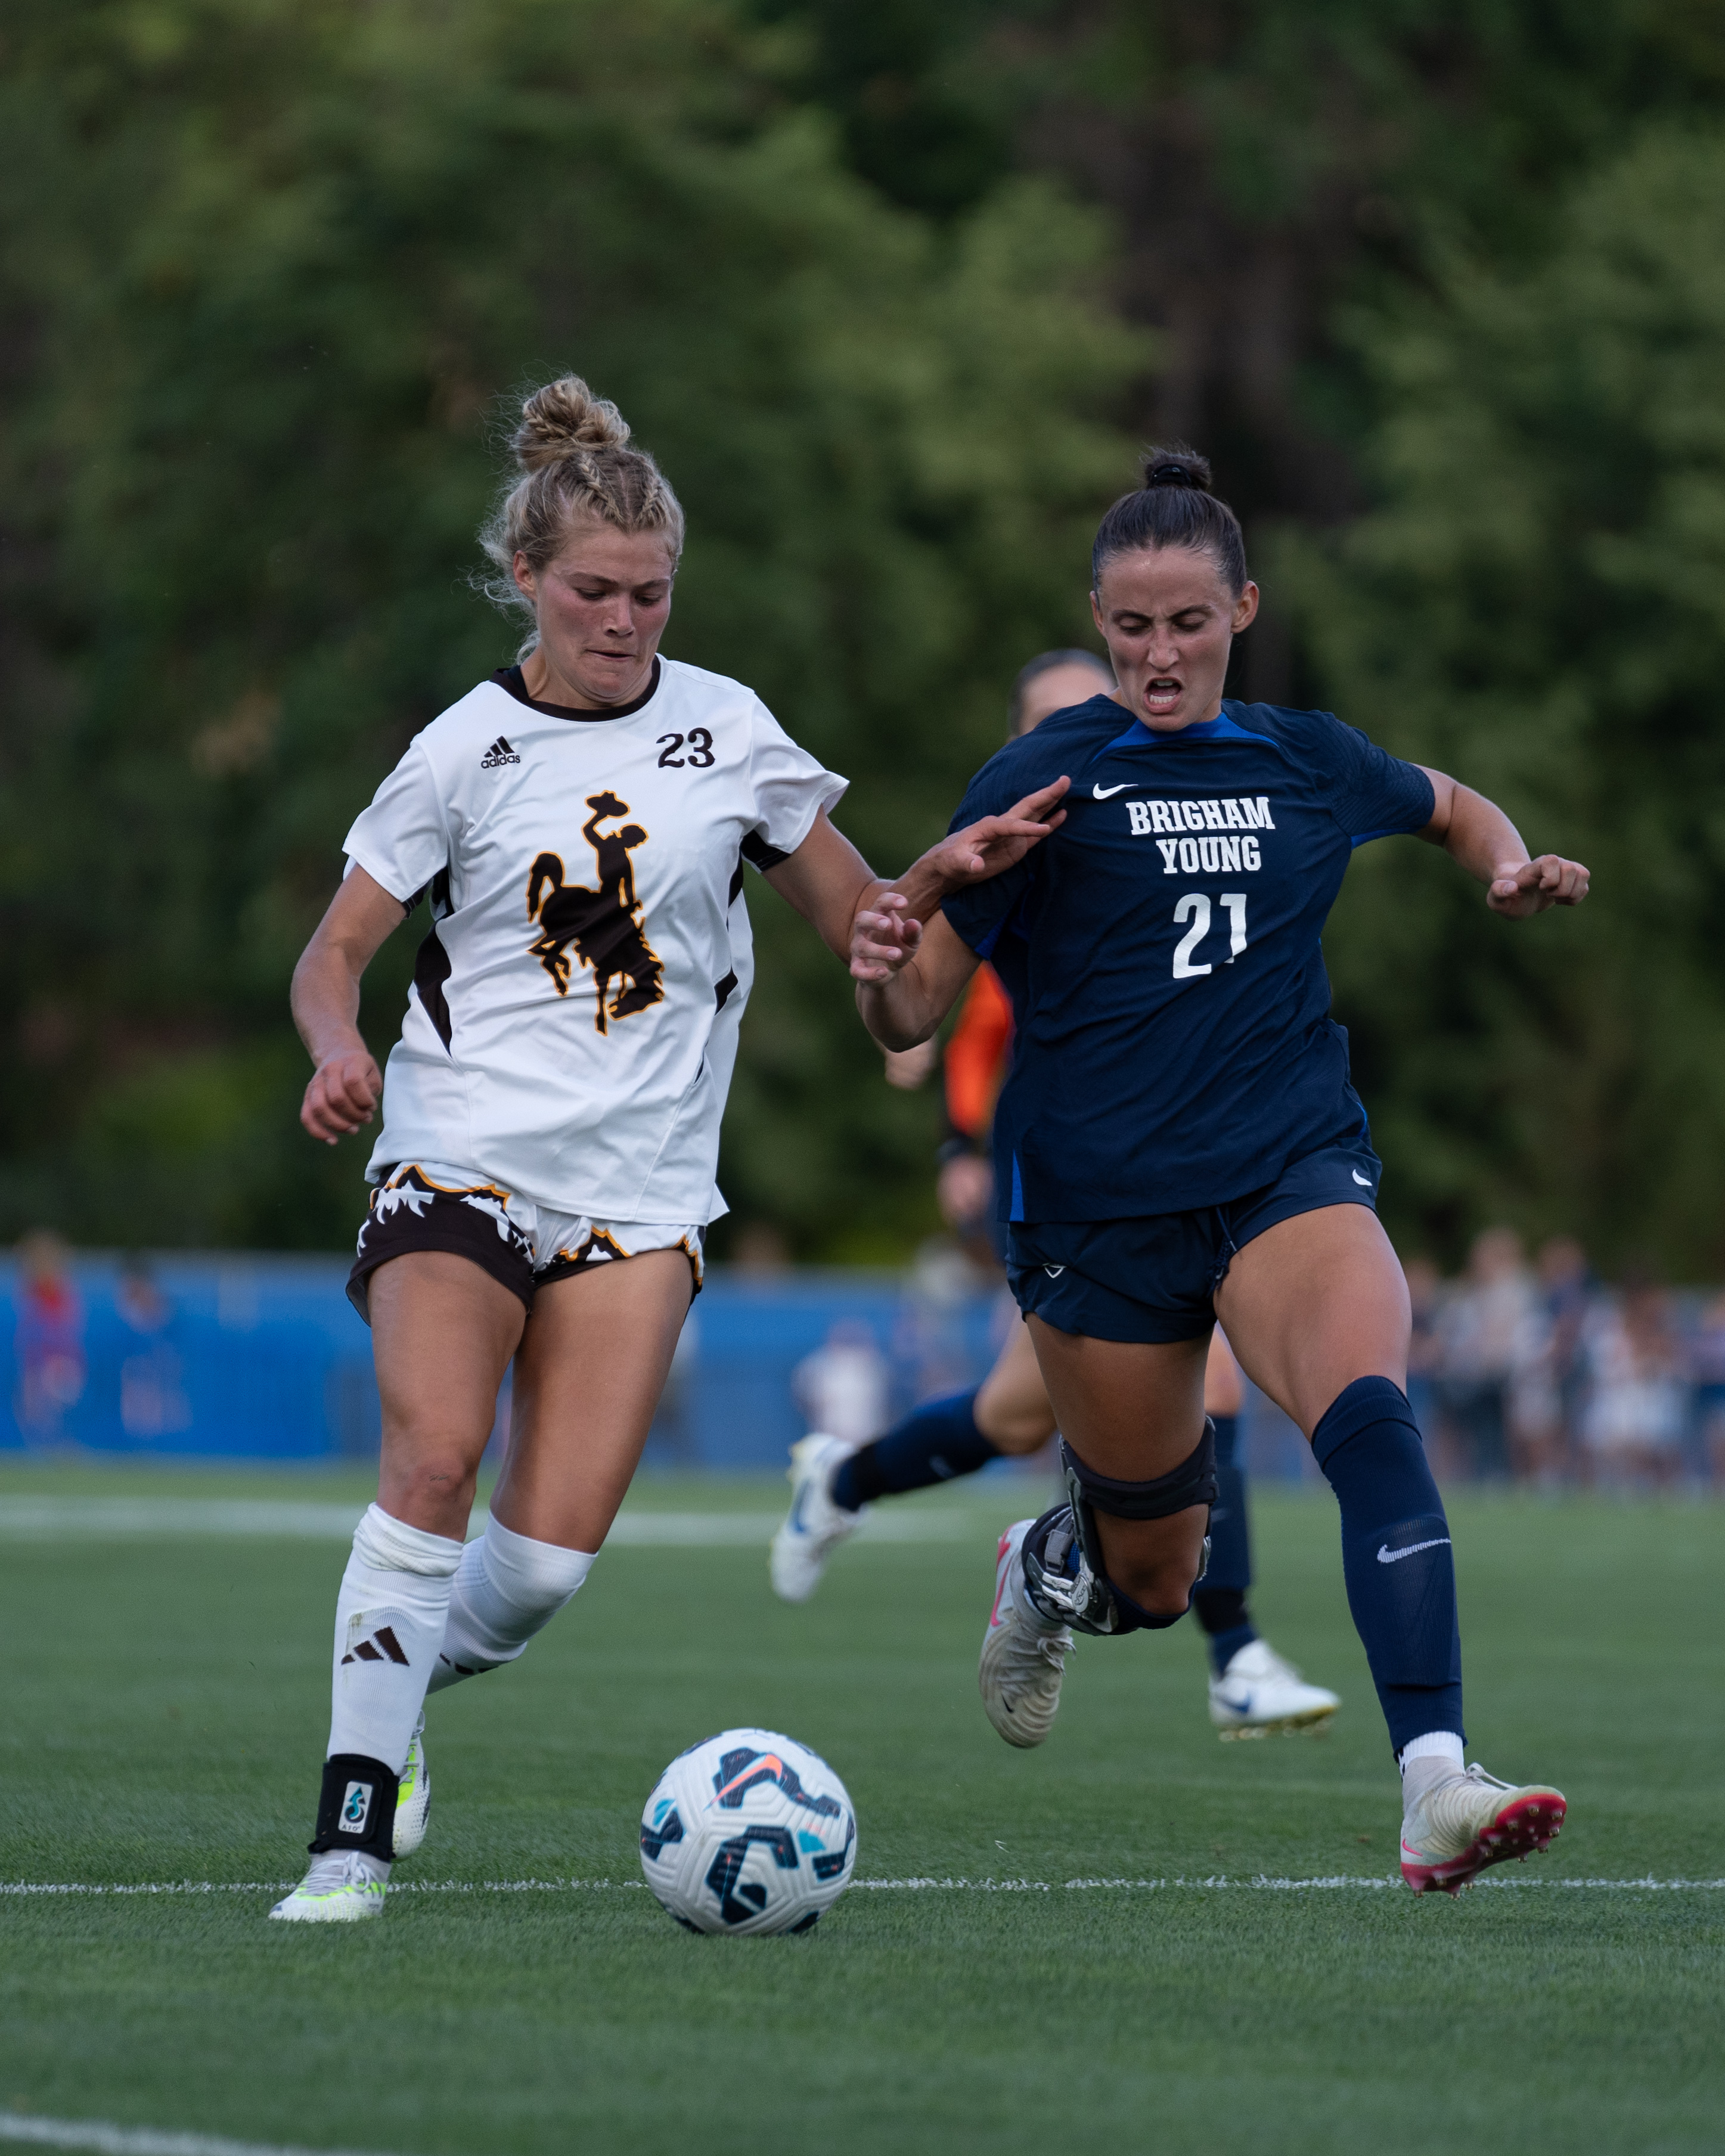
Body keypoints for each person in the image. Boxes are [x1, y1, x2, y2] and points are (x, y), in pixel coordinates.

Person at [848, 446, 1587, 1893]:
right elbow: (909, 1010)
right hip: (1096, 1212)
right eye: (1129, 626)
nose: (1158, 652)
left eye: (1188, 622)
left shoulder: (1305, 759)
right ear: (1098, 618)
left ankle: (1432, 1781)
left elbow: (1446, 803)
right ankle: (1054, 1566)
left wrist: (1506, 863)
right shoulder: (1043, 777)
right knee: (1156, 1577)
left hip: (1284, 1166)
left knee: (1369, 1416)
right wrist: (913, 906)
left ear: (1241, 607)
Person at [271, 374, 935, 1921]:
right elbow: (330, 953)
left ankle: (394, 1685)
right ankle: (350, 1830)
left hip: (640, 1199)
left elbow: (882, 963)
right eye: (592, 592)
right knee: (432, 1459)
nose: (625, 620)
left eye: (649, 594)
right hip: (454, 1157)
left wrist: (915, 929)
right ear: (524, 579)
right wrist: (337, 1047)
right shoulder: (460, 750)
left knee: (538, 1575)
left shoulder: (734, 733)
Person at [772, 649, 1340, 1737]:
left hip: (1170, 1172)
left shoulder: (1160, 826)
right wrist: (956, 1145)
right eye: (1048, 720)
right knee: (1205, 1377)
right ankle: (1235, 1654)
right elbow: (959, 1022)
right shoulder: (1020, 854)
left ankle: (842, 1483)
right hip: (1071, 1182)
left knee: (1006, 1416)